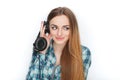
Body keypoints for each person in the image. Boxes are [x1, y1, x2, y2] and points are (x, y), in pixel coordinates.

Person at [26, 7, 91, 80]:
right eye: (54, 27)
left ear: (72, 29)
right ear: (47, 28)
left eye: (66, 28)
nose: (59, 33)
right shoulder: (40, 49)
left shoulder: (83, 53)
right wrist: (42, 52)